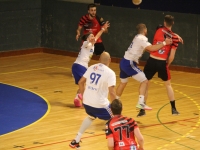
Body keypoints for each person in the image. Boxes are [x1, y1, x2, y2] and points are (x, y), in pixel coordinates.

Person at [116, 23, 172, 111]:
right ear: (145, 30)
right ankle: (141, 103)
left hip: (123, 61)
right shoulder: (142, 39)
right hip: (129, 63)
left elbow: (146, 49)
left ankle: (115, 101)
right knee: (145, 81)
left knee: (123, 83)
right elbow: (151, 48)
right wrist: (164, 43)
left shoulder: (136, 37)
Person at [137, 15, 182, 117]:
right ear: (173, 23)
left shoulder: (159, 28)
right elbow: (171, 56)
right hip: (162, 62)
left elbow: (165, 30)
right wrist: (167, 64)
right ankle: (174, 109)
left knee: (145, 84)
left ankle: (142, 110)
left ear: (164, 22)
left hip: (152, 60)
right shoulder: (174, 39)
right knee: (168, 85)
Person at [69, 52, 116, 149]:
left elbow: (81, 82)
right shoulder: (110, 73)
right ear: (110, 60)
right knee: (116, 118)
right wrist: (116, 107)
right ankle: (117, 144)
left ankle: (76, 140)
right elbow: (112, 92)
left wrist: (83, 96)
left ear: (99, 59)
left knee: (91, 116)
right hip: (100, 104)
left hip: (87, 103)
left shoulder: (91, 68)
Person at [72, 21, 110, 107]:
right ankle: (83, 98)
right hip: (79, 66)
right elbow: (89, 42)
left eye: (93, 36)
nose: (93, 37)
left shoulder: (92, 44)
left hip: (81, 66)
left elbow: (97, 36)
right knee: (88, 83)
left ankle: (77, 98)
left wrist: (103, 29)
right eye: (91, 36)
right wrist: (90, 41)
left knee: (85, 84)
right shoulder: (86, 44)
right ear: (87, 39)